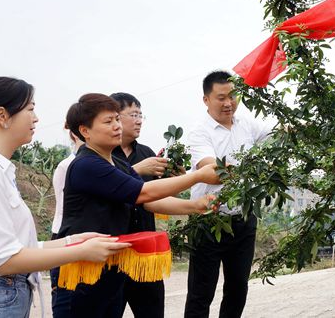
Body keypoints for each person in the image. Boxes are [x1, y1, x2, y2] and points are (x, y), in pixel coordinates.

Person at [0, 77, 131, 318]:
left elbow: (18, 248)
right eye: (30, 109)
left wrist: (72, 241)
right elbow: (4, 260)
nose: (36, 118)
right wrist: (81, 252)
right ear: (2, 116)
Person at [53, 93, 220, 317]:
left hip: (110, 264)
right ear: (85, 131)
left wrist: (195, 205)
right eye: (108, 121)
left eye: (116, 119)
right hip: (84, 268)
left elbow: (149, 201)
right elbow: (144, 192)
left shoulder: (116, 163)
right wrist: (197, 176)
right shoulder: (86, 165)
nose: (116, 126)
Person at [185, 71, 272, 318]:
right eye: (221, 97)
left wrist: (299, 128)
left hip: (243, 220)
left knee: (237, 288)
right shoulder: (199, 132)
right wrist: (246, 168)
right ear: (206, 100)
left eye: (233, 96)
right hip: (208, 220)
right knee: (201, 292)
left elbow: (275, 135)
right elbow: (210, 168)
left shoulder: (246, 123)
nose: (228, 103)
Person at [110, 92, 197, 318]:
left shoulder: (146, 153)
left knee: (152, 311)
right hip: (111, 251)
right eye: (133, 114)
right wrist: (138, 169)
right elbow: (114, 189)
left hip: (145, 252)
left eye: (141, 115)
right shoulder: (103, 154)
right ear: (114, 117)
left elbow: (156, 198)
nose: (139, 120)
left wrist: (178, 179)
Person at [49, 127, 84, 309]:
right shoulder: (67, 165)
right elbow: (66, 209)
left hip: (83, 239)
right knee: (67, 300)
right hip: (66, 237)